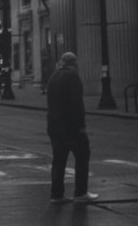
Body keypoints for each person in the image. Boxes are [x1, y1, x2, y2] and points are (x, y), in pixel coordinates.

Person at [46, 51, 97, 204]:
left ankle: (56, 194)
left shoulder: (53, 76)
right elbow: (77, 104)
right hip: (71, 126)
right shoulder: (73, 76)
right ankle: (81, 192)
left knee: (58, 160)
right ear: (74, 63)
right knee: (82, 156)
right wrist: (81, 125)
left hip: (54, 125)